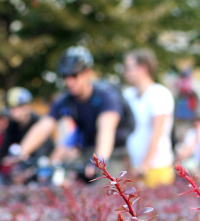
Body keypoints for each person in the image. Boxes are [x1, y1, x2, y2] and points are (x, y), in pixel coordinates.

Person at [18, 47, 122, 179]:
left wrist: (100, 162)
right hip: (87, 152)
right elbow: (44, 126)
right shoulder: (65, 99)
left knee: (104, 186)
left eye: (74, 75)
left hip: (115, 152)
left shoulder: (106, 96)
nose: (69, 82)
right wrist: (21, 153)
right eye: (65, 76)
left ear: (87, 73)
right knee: (62, 180)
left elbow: (106, 130)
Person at [122, 49, 175, 187]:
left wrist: (144, 166)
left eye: (128, 68)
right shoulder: (128, 95)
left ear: (143, 68)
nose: (125, 72)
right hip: (135, 168)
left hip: (156, 168)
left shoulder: (159, 94)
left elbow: (157, 132)